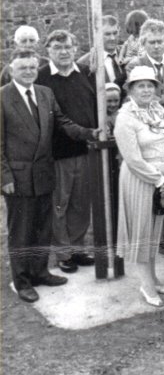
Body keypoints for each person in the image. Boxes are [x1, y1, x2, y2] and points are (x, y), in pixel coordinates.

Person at [2, 51, 95, 303]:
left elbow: (62, 123)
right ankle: (23, 281)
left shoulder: (45, 93)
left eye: (32, 67)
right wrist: (5, 177)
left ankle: (40, 272)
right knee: (21, 232)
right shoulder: (3, 97)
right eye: (23, 68)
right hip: (18, 178)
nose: (29, 72)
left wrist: (88, 133)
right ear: (11, 70)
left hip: (44, 173)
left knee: (43, 228)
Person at [114, 66, 164, 307]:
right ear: (131, 90)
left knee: (155, 230)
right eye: (140, 86)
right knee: (142, 232)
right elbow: (133, 159)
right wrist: (159, 180)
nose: (146, 90)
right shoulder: (125, 117)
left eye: (150, 85)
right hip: (140, 179)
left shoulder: (159, 111)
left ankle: (153, 278)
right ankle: (146, 285)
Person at [36, 30, 101, 273]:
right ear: (48, 51)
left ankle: (78, 248)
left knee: (81, 204)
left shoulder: (87, 73)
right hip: (57, 152)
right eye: (57, 47)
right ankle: (63, 253)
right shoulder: (41, 77)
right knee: (59, 204)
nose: (63, 52)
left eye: (68, 47)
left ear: (75, 49)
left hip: (86, 150)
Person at [126, 19, 164, 123]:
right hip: (144, 122)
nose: (156, 46)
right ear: (143, 43)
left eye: (160, 42)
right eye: (152, 42)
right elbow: (135, 98)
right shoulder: (135, 66)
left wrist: (155, 99)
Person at [77, 14, 127, 88]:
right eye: (107, 34)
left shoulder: (127, 53)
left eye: (115, 33)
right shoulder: (85, 63)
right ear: (97, 35)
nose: (112, 38)